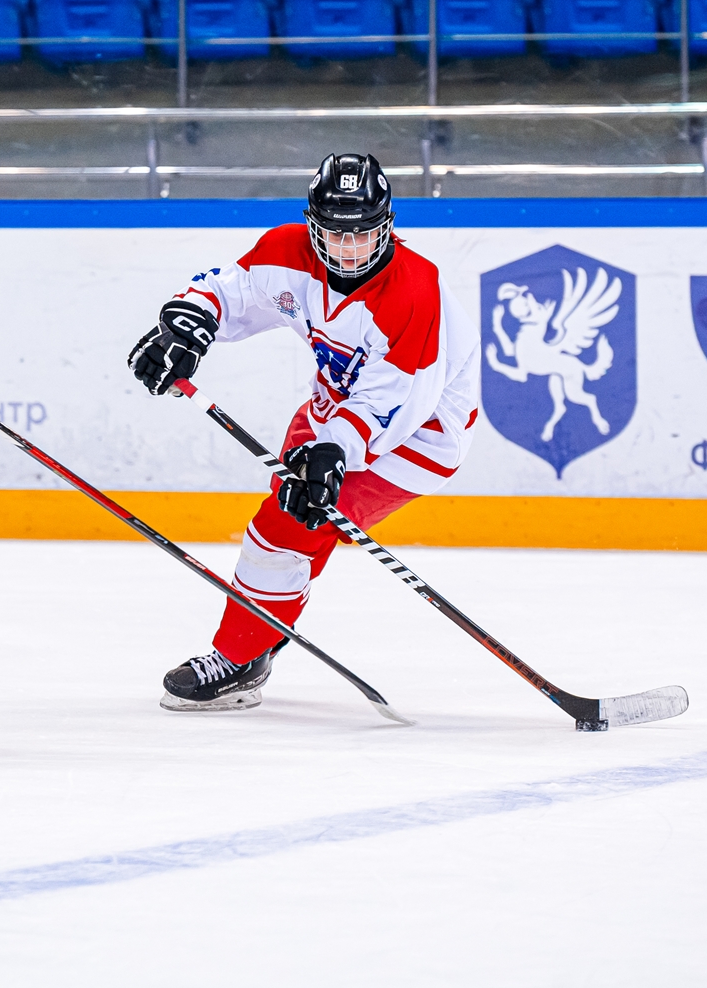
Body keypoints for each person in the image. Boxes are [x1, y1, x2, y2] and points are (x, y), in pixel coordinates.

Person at [128, 153, 479, 712]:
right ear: (313, 224)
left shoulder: (414, 293)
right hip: (329, 411)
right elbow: (231, 290)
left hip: (418, 436)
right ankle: (265, 628)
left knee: (283, 528)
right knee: (295, 524)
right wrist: (186, 327)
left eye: (362, 234)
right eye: (335, 234)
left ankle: (241, 658)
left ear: (387, 226)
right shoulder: (287, 252)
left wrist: (336, 453)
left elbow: (394, 404)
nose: (348, 249)